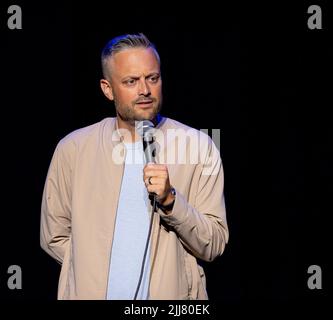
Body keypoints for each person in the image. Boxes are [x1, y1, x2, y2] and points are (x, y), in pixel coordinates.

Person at [40, 33, 229, 300]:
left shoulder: (198, 147)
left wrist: (171, 201)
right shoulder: (74, 149)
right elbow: (54, 236)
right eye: (131, 81)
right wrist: (92, 272)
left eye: (152, 78)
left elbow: (215, 242)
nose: (145, 90)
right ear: (107, 89)